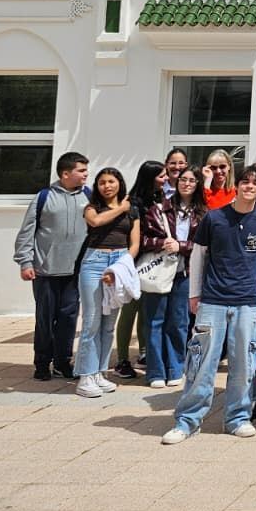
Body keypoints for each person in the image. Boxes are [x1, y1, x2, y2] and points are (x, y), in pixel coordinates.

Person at [162, 165, 256, 444]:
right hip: (212, 299)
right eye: (245, 182)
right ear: (236, 185)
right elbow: (198, 257)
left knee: (244, 364)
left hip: (247, 302)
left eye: (255, 183)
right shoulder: (214, 218)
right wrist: (194, 294)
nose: (249, 187)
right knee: (201, 362)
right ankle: (188, 420)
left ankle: (238, 417)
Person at [13, 151, 90, 381]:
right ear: (66, 173)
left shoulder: (89, 196)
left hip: (74, 271)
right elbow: (26, 232)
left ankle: (63, 362)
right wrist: (25, 262)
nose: (87, 174)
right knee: (45, 319)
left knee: (68, 318)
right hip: (45, 271)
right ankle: (42, 362)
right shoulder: (43, 197)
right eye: (82, 170)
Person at [74, 166, 139, 398]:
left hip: (119, 262)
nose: (107, 186)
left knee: (109, 323)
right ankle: (85, 375)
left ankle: (100, 372)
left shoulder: (133, 211)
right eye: (102, 182)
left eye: (111, 181)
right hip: (94, 261)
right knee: (92, 321)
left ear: (119, 183)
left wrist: (119, 268)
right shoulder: (91, 208)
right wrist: (121, 207)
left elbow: (135, 245)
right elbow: (97, 222)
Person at [138, 160, 201, 389]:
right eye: (183, 179)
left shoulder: (202, 213)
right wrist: (161, 242)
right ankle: (155, 371)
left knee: (179, 322)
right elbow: (142, 240)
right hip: (160, 271)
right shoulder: (158, 209)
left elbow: (206, 246)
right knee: (154, 321)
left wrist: (181, 246)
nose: (187, 183)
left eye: (192, 180)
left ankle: (175, 367)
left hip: (185, 272)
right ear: (175, 181)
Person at [112, 162, 164, 380]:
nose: (165, 179)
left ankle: (143, 353)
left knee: (145, 309)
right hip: (134, 259)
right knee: (130, 309)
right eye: (161, 176)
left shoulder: (159, 198)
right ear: (150, 177)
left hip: (152, 261)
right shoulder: (133, 202)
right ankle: (122, 359)